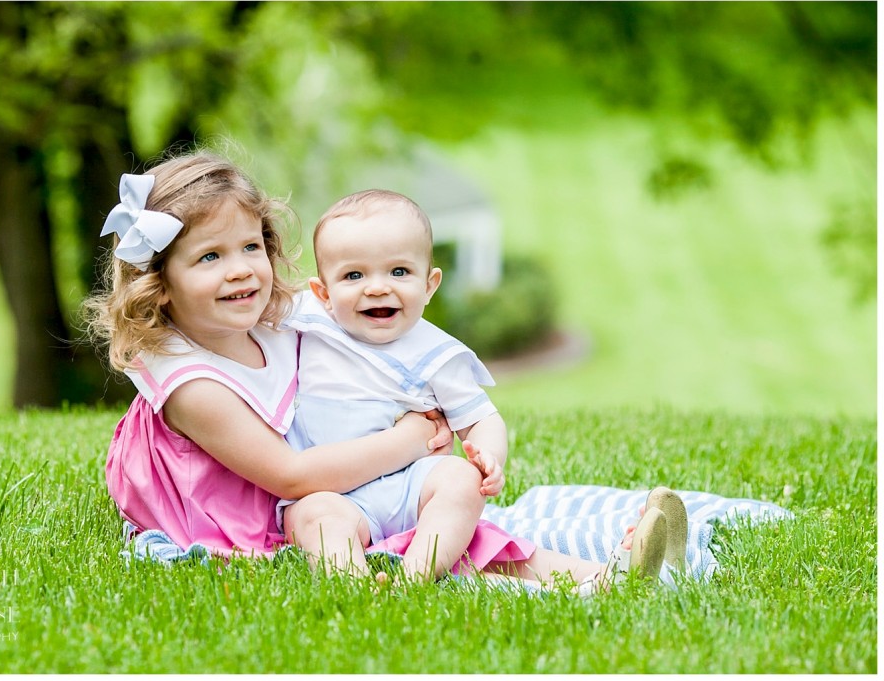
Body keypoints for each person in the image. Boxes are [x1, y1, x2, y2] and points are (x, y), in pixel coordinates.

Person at [86, 149, 682, 595]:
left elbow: (368, 305)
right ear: (158, 285)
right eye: (210, 257)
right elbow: (291, 476)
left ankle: (603, 577)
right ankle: (367, 589)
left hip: (334, 478)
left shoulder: (273, 317)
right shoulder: (187, 382)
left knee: (456, 519)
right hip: (255, 508)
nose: (241, 271)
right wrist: (407, 440)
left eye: (250, 248)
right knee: (338, 521)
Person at [278, 188, 683, 591]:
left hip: (411, 492)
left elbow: (481, 418)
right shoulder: (310, 324)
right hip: (332, 492)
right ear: (323, 293)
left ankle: (603, 575)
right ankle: (353, 584)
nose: (377, 287)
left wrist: (488, 455)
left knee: (466, 492)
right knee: (316, 516)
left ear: (430, 284)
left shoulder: (437, 355)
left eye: (399, 272)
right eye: (354, 275)